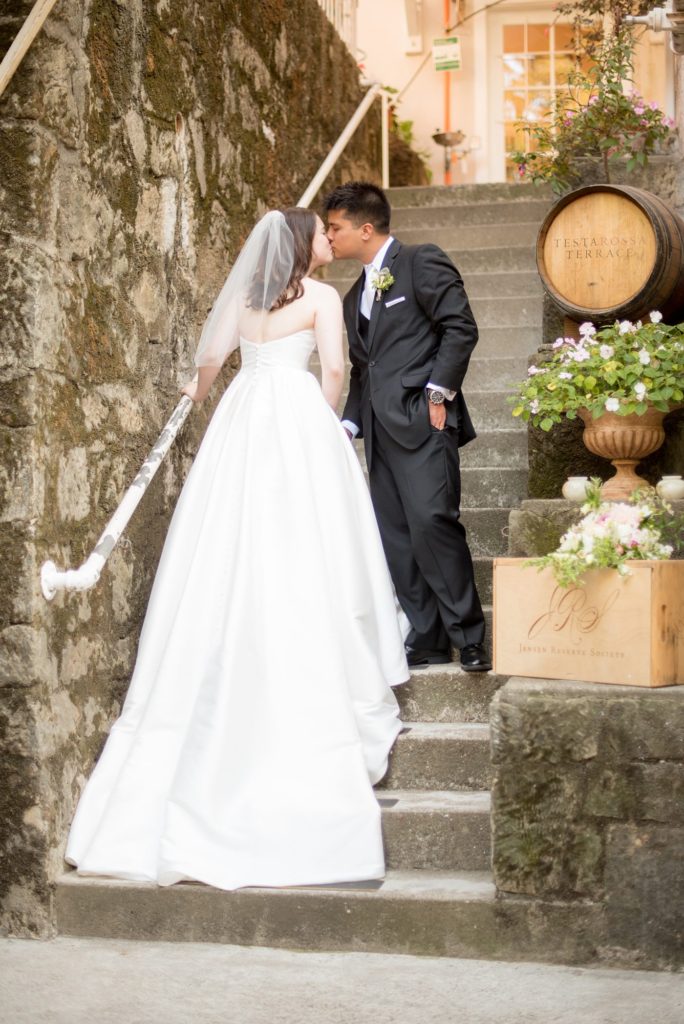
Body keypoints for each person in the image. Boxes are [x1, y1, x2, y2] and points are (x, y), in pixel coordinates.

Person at [65, 208, 408, 891]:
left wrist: (201, 390)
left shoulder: (247, 304)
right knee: (312, 539)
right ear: (302, 247)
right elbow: (335, 372)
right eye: (320, 234)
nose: (326, 242)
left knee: (226, 538)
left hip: (244, 421)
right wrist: (329, 424)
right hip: (298, 421)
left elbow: (208, 367)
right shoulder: (317, 300)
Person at [323, 182, 491, 673]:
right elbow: (364, 369)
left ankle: (470, 636)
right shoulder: (354, 294)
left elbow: (460, 327)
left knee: (433, 524)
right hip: (378, 434)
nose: (330, 237)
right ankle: (429, 636)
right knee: (396, 537)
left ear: (365, 228)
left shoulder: (421, 261)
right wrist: (348, 424)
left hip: (423, 419)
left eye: (335, 227)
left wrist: (439, 392)